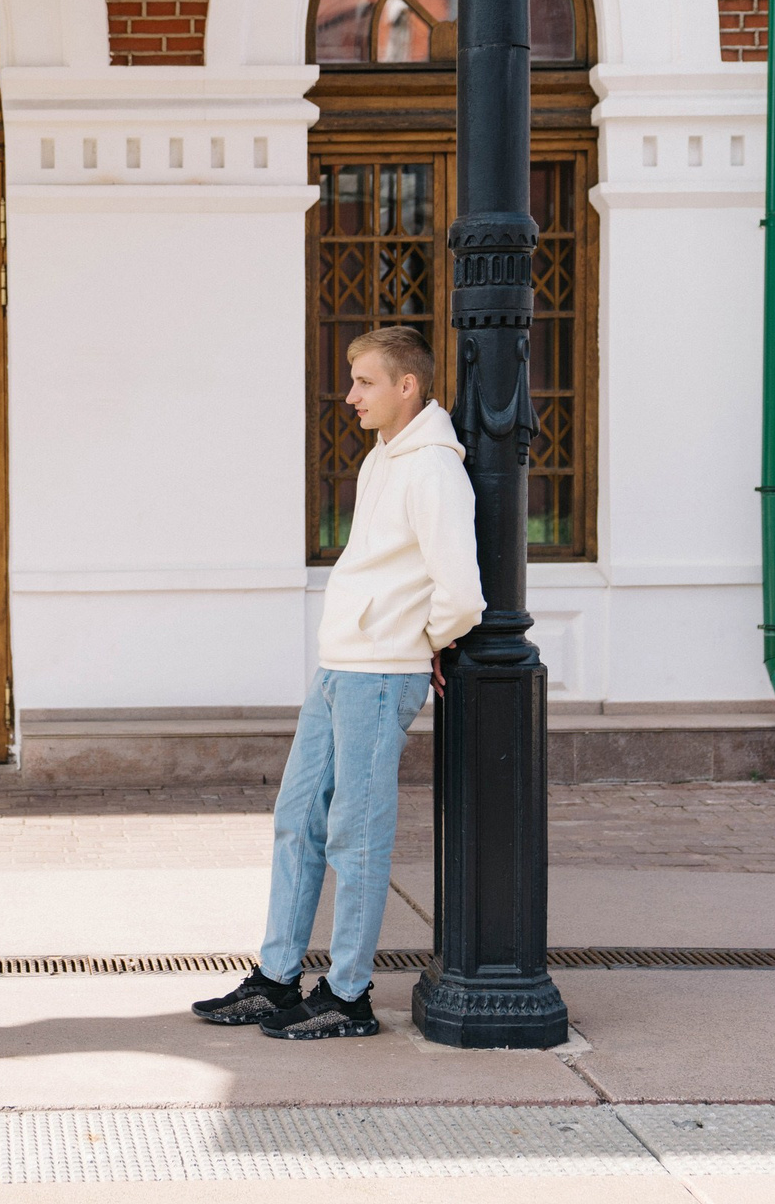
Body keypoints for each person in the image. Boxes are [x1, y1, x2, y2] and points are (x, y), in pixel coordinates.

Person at [193, 325, 483, 1041]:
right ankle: (277, 979)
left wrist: (424, 642)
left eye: (365, 382)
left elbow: (461, 593)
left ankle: (348, 996)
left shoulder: (434, 469)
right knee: (297, 818)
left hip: (379, 675)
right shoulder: (383, 457)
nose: (350, 395)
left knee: (356, 835)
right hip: (339, 667)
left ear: (407, 386)